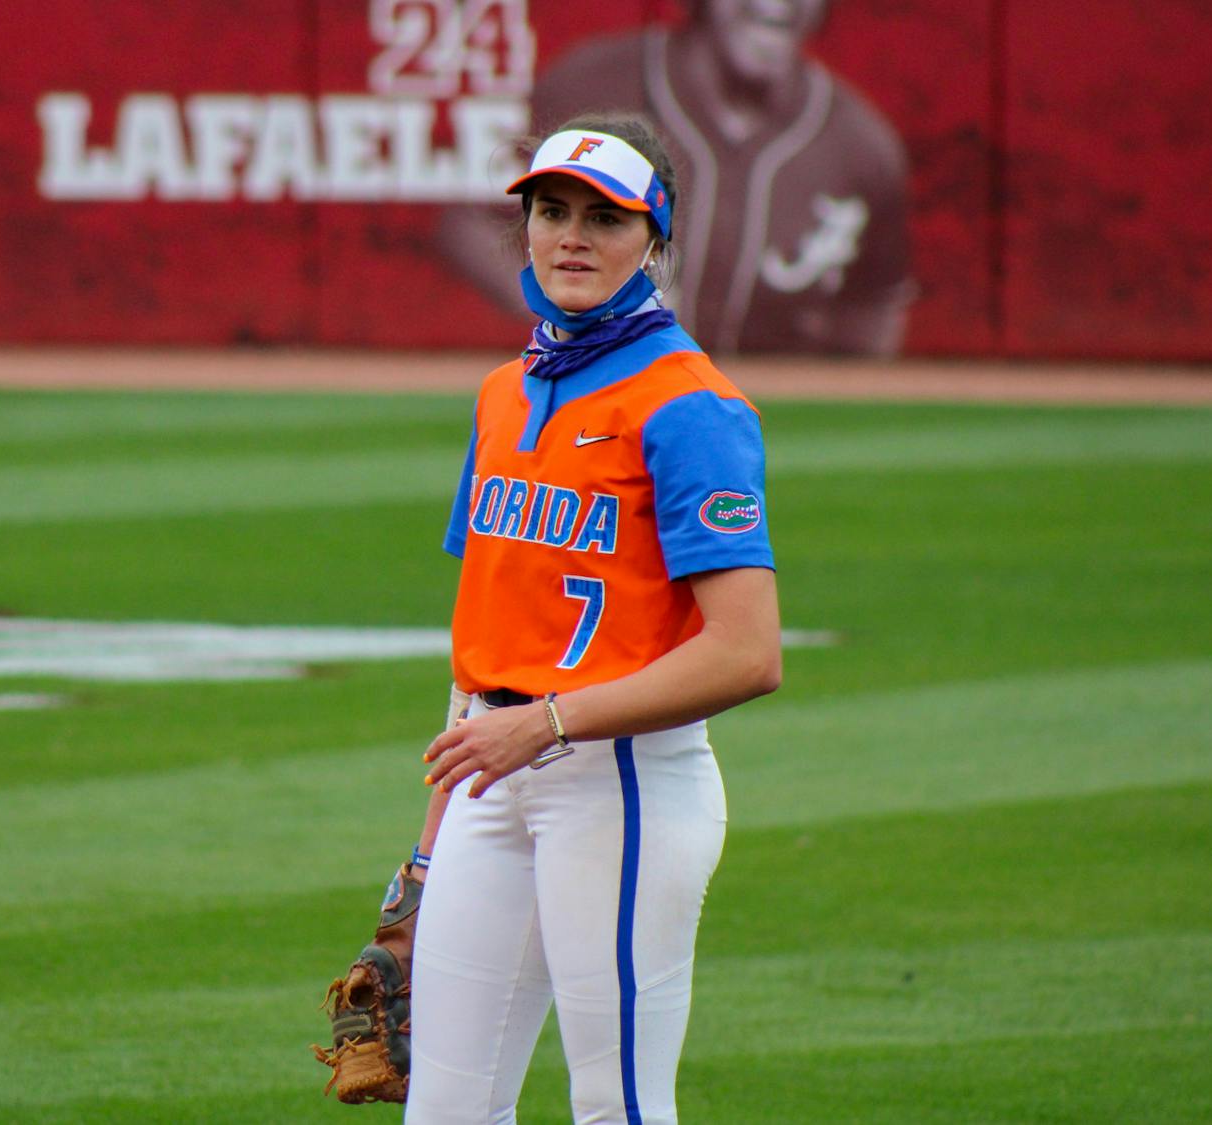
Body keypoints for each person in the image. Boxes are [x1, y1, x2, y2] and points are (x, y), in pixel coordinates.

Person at [405, 113, 782, 1124]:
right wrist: (427, 849)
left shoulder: (689, 405)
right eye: (551, 211)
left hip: (620, 785)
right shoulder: (503, 392)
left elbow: (749, 654)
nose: (571, 236)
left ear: (654, 240)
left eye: (605, 219)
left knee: (616, 1104)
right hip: (492, 773)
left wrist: (551, 721)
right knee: (443, 1110)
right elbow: (486, 634)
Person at [438, 0, 912, 356]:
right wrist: (575, 306)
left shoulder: (864, 146)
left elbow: (875, 310)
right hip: (600, 379)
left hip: (775, 410)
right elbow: (470, 224)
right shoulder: (593, 82)